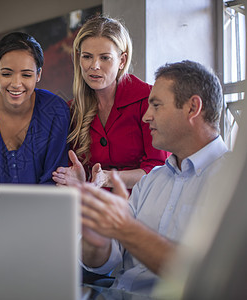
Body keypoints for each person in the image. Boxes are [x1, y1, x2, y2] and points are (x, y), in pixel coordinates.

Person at [80, 60, 228, 295]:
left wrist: (125, 228)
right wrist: (96, 241)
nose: (146, 116)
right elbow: (106, 262)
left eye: (156, 105)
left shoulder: (233, 185)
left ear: (192, 108)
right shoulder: (151, 181)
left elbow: (211, 277)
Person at [52, 15, 168, 189]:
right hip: (92, 210)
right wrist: (78, 180)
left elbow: (159, 170)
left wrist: (108, 178)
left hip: (141, 209)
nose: (94, 66)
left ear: (122, 60)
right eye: (87, 57)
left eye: (105, 58)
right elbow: (79, 176)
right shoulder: (71, 110)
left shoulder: (148, 100)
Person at [0, 32, 70, 184]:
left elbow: (55, 180)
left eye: (26, 75)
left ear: (38, 74)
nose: (16, 84)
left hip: (46, 207)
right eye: (7, 74)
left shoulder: (56, 111)